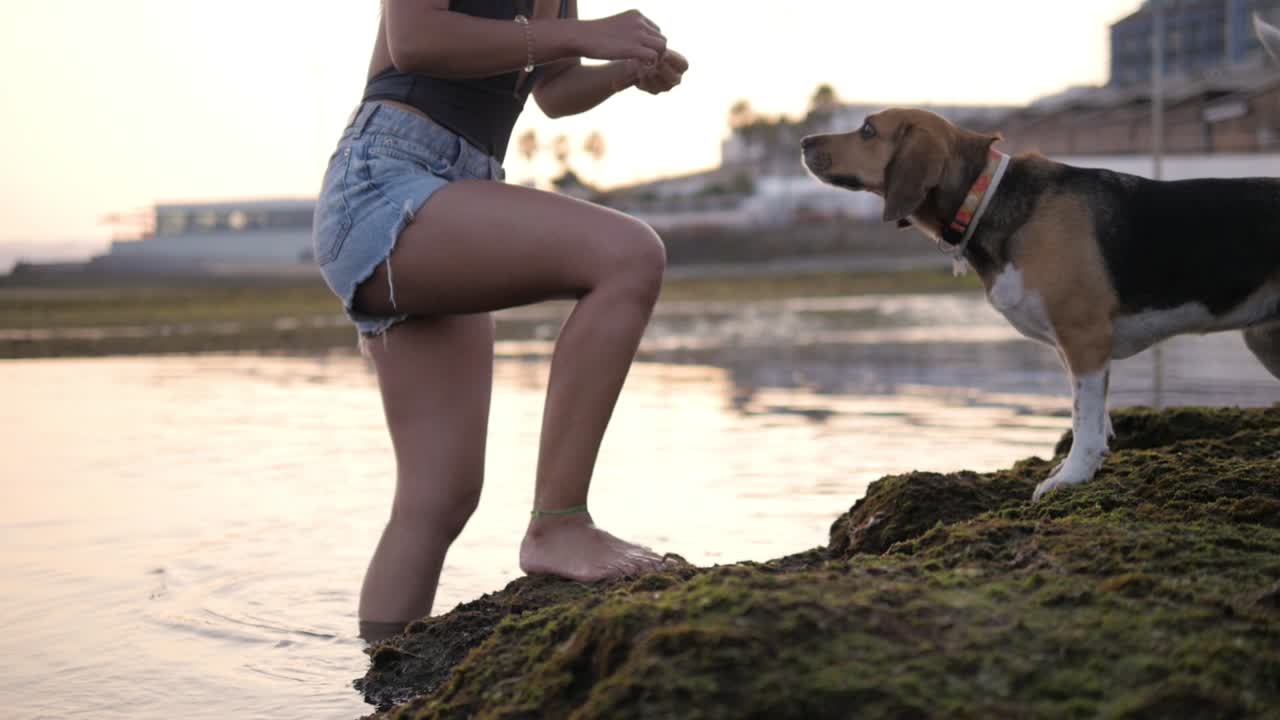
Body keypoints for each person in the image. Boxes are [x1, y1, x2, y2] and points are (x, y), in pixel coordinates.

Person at [311, 0, 689, 636]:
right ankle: (560, 523)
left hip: (457, 186)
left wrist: (625, 66)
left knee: (438, 500)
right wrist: (587, 33)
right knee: (628, 256)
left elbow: (556, 90)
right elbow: (417, 40)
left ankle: (385, 684)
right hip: (385, 182)